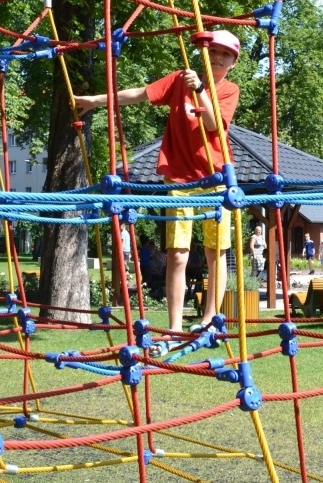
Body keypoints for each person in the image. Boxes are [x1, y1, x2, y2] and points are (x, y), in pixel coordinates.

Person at [75, 30, 240, 335]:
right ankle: (175, 325)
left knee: (215, 254)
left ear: (233, 62)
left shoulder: (229, 90)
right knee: (177, 253)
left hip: (215, 179)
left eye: (225, 54)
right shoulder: (180, 80)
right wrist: (96, 101)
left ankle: (209, 318)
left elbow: (214, 123)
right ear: (204, 53)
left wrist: (201, 89)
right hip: (179, 178)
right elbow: (140, 93)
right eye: (213, 51)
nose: (217, 58)